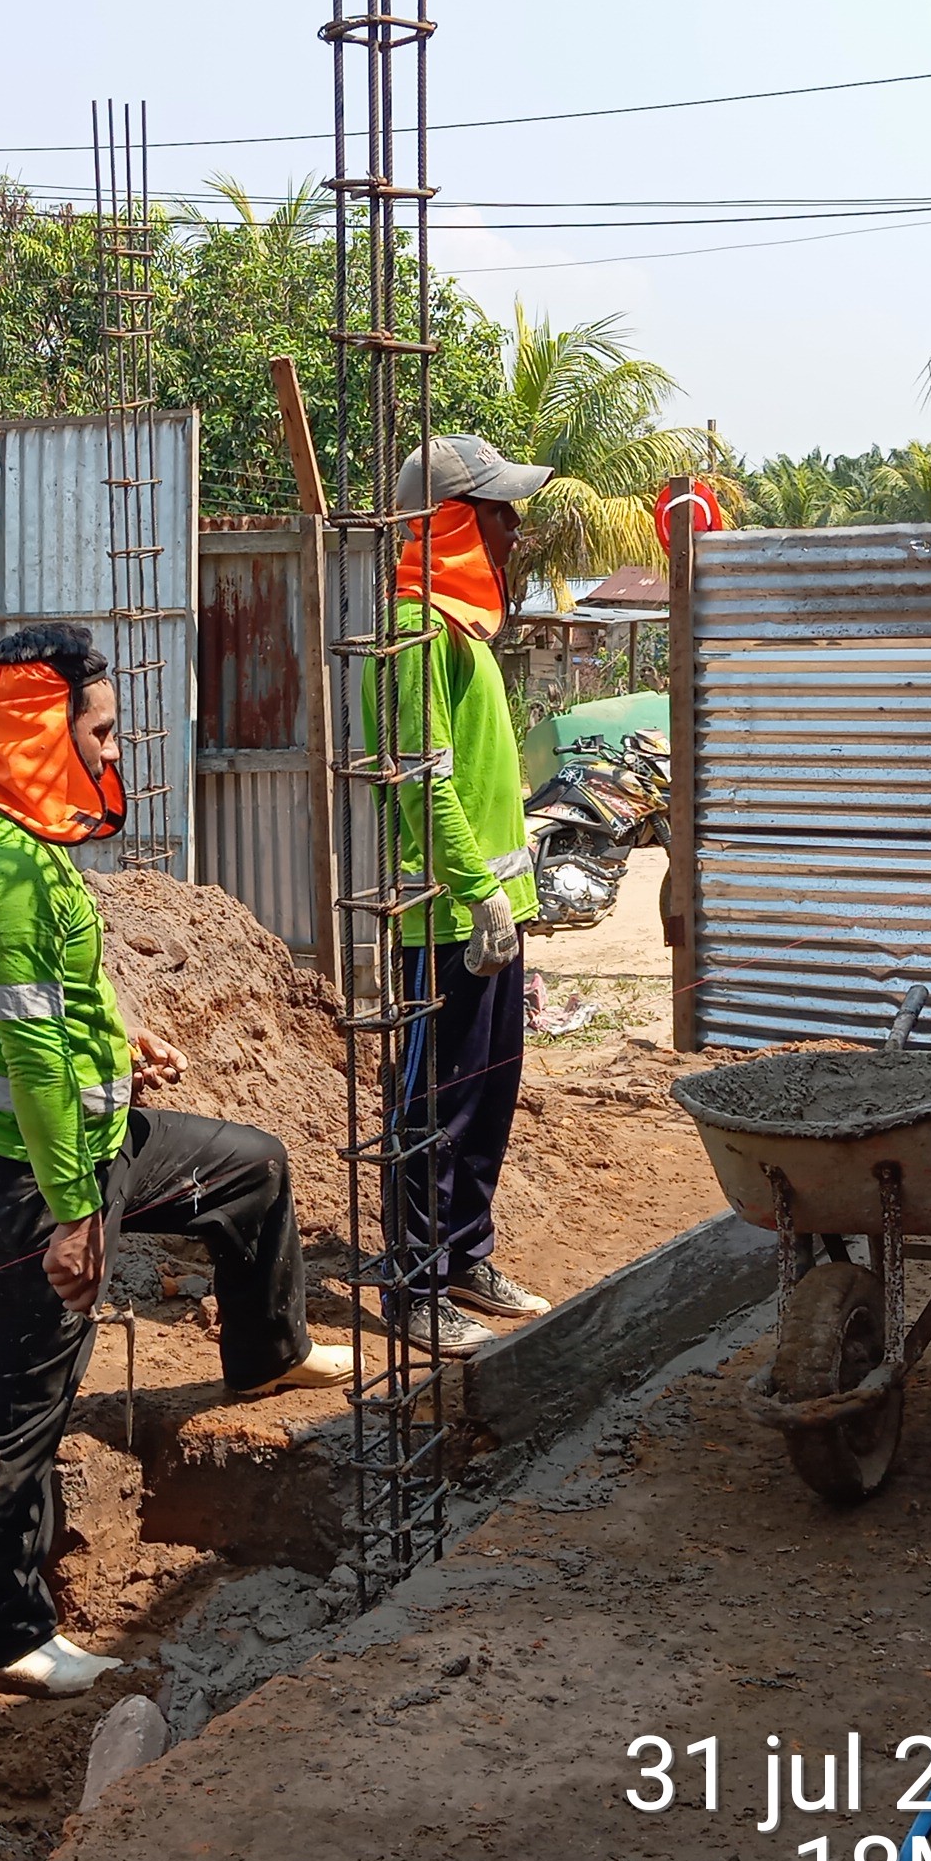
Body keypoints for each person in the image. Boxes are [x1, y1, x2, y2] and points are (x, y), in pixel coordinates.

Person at [0, 621, 353, 1695]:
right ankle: (16, 1639)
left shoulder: (25, 842)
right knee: (20, 1414)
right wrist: (77, 1217)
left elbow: (64, 1002)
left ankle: (266, 1352)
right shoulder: (5, 873)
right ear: (45, 734)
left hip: (97, 1145)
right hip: (41, 1180)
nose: (117, 754)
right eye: (104, 732)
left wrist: (121, 1034)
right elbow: (30, 1058)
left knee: (253, 1170)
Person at [365, 433, 560, 1358]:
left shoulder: (466, 629)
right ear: (451, 522)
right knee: (434, 1104)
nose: (514, 529)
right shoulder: (413, 631)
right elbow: (420, 780)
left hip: (491, 913)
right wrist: (478, 892)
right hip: (449, 918)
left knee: (489, 1094)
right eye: (498, 512)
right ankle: (414, 1282)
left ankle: (465, 1252)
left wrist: (511, 899)